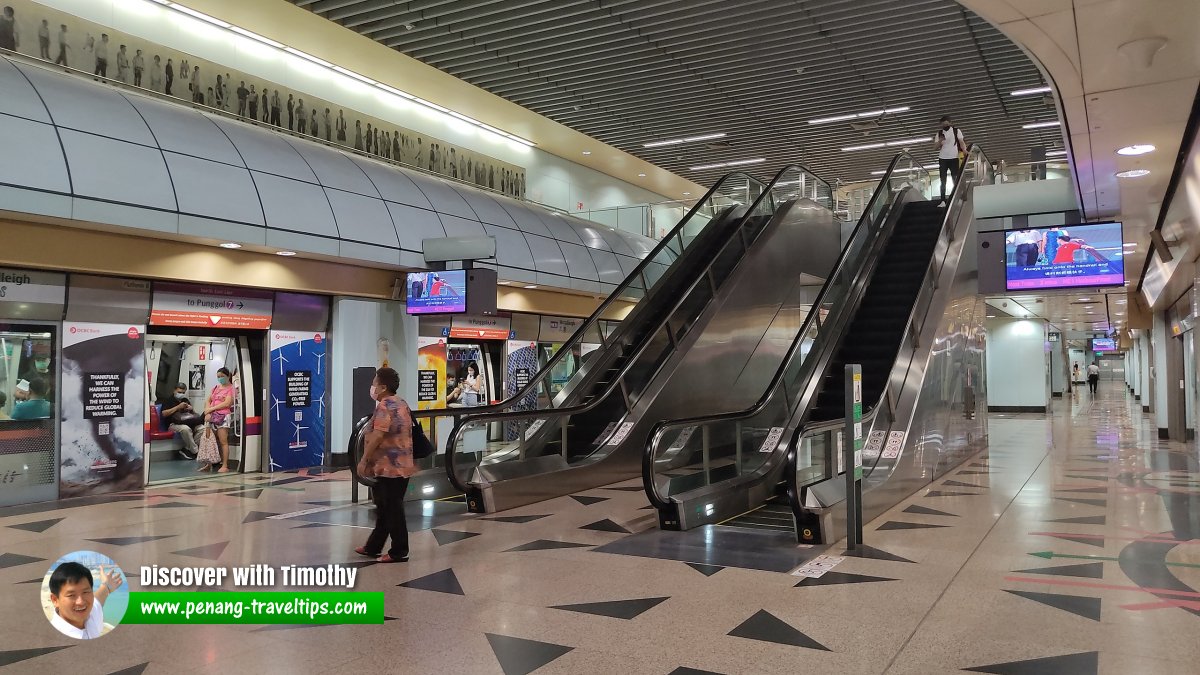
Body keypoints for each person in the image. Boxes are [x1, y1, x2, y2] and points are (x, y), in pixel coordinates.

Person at [355, 367, 415, 563]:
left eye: (374, 383)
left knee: (392, 509)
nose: (372, 387)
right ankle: (373, 546)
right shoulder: (401, 403)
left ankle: (399, 551)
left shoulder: (384, 406)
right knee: (384, 507)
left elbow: (378, 436)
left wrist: (364, 460)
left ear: (382, 387)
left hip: (390, 467)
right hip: (403, 465)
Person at [47, 561, 124, 639]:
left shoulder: (91, 615)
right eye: (71, 595)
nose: (81, 602)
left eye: (86, 592)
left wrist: (106, 586)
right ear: (55, 600)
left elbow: (98, 598)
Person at [199, 367, 235, 473]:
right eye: (218, 377)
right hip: (211, 417)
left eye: (222, 376)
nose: (220, 379)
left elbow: (227, 403)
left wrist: (211, 409)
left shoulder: (231, 389)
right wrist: (207, 411)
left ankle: (224, 465)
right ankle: (209, 463)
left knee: (223, 441)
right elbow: (208, 400)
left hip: (223, 417)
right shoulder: (216, 388)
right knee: (210, 440)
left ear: (228, 376)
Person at [157, 382, 200, 460]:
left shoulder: (185, 400)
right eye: (179, 392)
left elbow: (192, 414)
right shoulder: (168, 400)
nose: (181, 394)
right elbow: (164, 414)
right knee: (185, 429)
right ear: (174, 391)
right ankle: (196, 452)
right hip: (173, 424)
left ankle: (187, 449)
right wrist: (178, 407)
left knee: (202, 429)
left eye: (183, 393)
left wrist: (191, 409)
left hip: (188, 422)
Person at [933, 115, 967, 206]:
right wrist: (940, 140)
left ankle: (957, 196)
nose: (945, 126)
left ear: (951, 123)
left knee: (955, 178)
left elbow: (961, 141)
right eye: (943, 125)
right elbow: (935, 147)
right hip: (943, 158)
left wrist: (964, 150)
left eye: (947, 124)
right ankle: (943, 200)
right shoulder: (939, 133)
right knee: (943, 180)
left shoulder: (956, 131)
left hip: (954, 157)